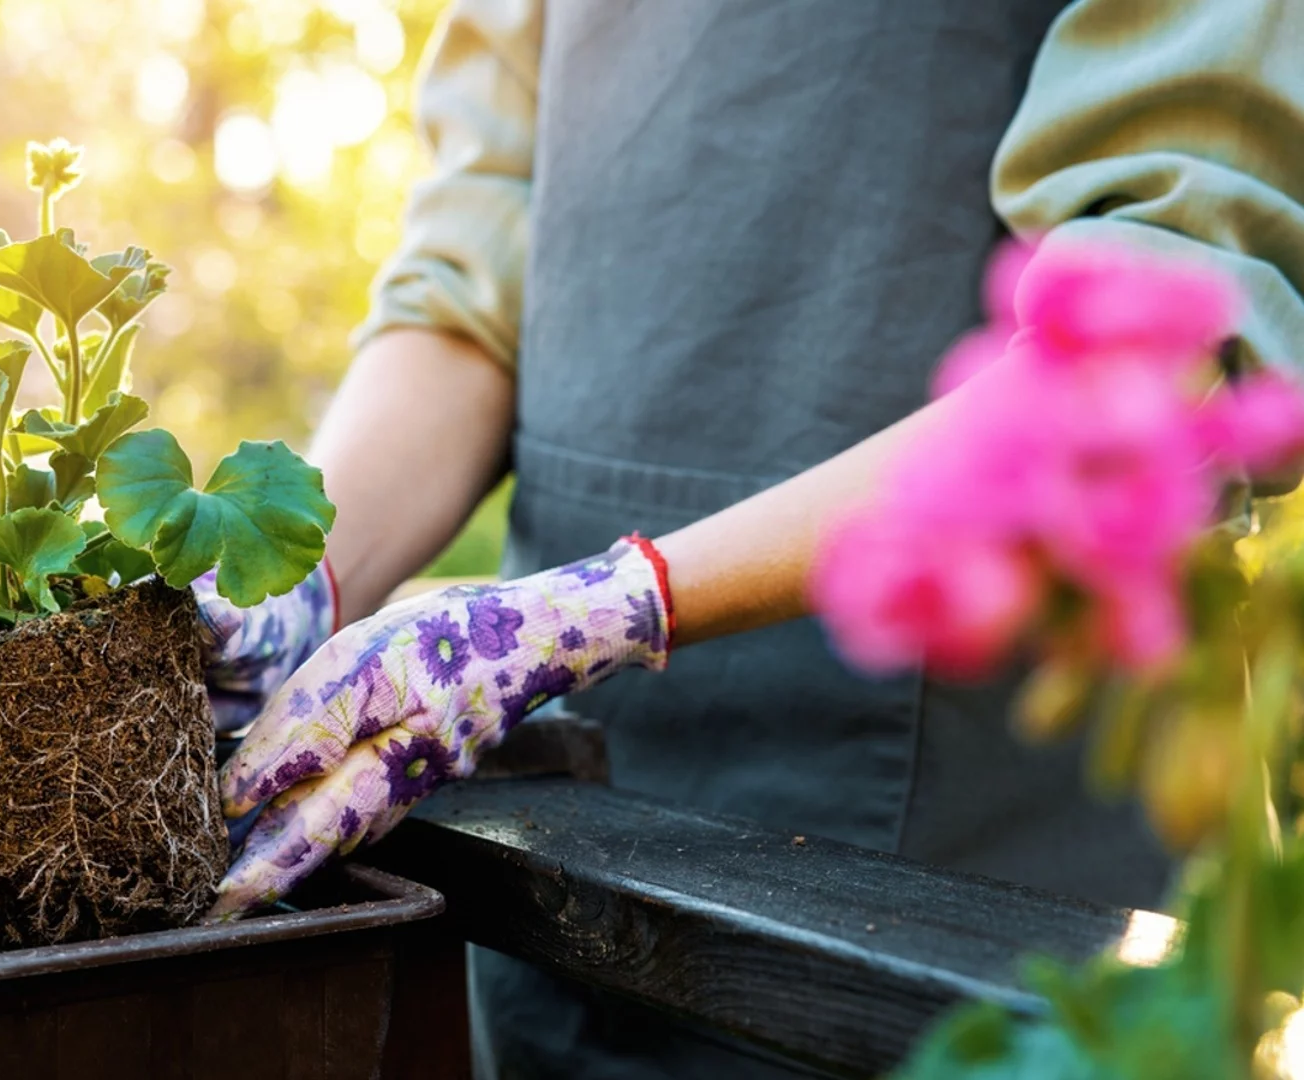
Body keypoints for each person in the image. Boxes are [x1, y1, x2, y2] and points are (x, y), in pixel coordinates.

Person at [194, 1, 1304, 1075]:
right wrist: (297, 580)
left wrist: (602, 609)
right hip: (551, 829)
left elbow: (1158, 342)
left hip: (948, 866)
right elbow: (465, 298)